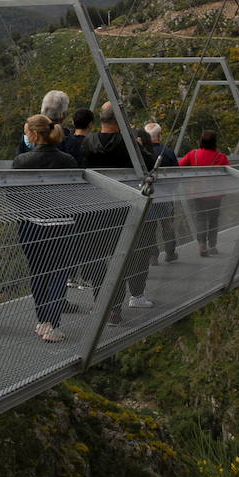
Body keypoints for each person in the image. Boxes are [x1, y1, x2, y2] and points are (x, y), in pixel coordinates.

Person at [79, 102, 158, 321]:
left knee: (96, 256)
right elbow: (149, 165)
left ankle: (101, 302)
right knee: (120, 256)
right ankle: (114, 308)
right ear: (118, 121)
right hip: (123, 206)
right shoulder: (128, 143)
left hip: (93, 208)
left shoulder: (88, 142)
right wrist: (141, 145)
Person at [11, 115, 77, 342]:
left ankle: (42, 321)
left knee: (38, 272)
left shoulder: (22, 161)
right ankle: (54, 324)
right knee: (59, 274)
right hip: (64, 225)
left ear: (34, 134)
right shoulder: (68, 159)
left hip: (32, 225)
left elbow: (13, 195)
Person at [179, 129, 231, 256]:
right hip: (215, 194)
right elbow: (230, 172)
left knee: (200, 218)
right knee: (213, 219)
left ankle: (202, 243)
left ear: (201, 141)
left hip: (198, 193)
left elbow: (179, 166)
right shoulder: (221, 157)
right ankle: (212, 246)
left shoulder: (193, 154)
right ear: (214, 142)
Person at [145, 122, 181, 263]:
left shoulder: (142, 153)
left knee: (149, 227)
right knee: (167, 225)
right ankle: (170, 252)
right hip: (165, 195)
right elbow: (176, 175)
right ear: (160, 135)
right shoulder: (168, 153)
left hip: (148, 195)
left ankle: (153, 255)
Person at [17, 90, 70, 155]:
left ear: (42, 110)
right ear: (64, 114)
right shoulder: (69, 140)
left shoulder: (30, 136)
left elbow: (18, 162)